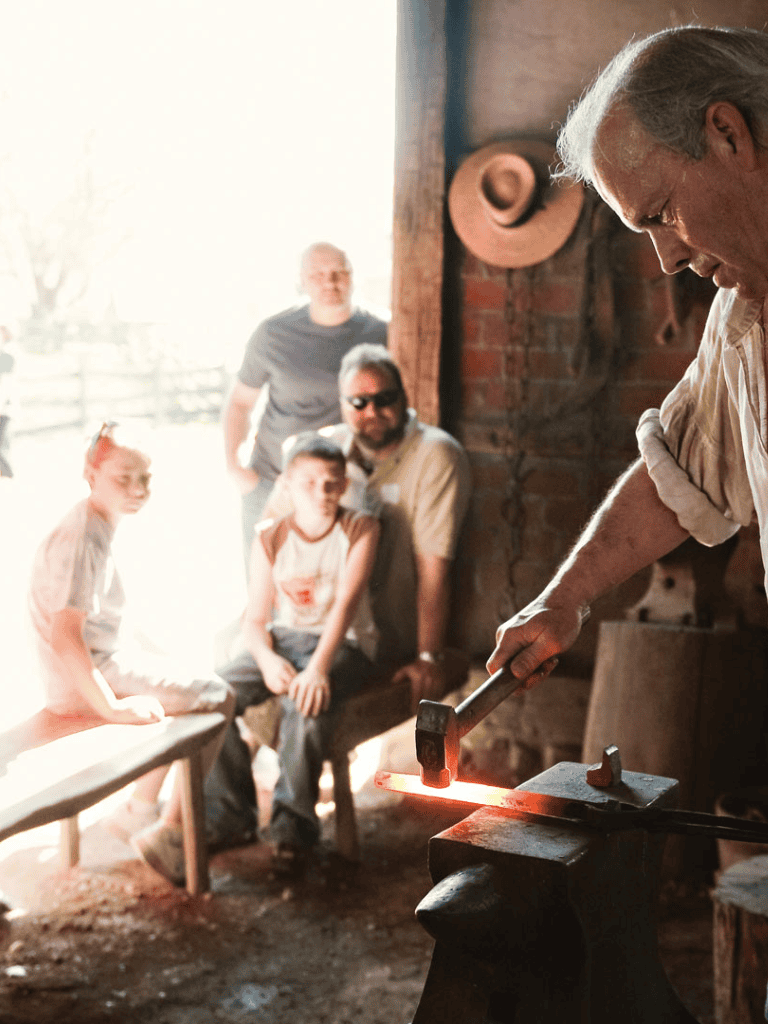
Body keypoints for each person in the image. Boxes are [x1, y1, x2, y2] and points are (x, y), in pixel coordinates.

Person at [487, 25, 768, 690]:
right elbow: (683, 474)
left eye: (663, 214)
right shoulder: (743, 322)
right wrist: (564, 597)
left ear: (727, 134)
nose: (667, 259)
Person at [28, 422, 235, 886]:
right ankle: (166, 829)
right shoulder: (82, 536)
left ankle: (137, 812)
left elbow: (105, 625)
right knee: (219, 696)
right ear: (90, 473)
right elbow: (65, 636)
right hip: (79, 680)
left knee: (188, 681)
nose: (138, 489)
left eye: (145, 478)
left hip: (96, 664)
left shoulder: (99, 523)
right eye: (124, 478)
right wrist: (113, 707)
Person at [204, 432, 380, 875]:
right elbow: (255, 621)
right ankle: (230, 814)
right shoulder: (271, 536)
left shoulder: (360, 528)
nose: (321, 493)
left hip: (345, 645)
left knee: (306, 702)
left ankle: (292, 830)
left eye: (331, 483)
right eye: (309, 483)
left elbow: (345, 606)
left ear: (343, 485)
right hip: (285, 639)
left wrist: (317, 669)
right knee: (213, 694)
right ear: (287, 484)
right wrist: (265, 659)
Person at [223, 242, 388, 573]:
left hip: (343, 487)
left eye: (339, 272)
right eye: (318, 275)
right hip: (272, 480)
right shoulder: (273, 333)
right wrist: (236, 469)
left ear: (353, 276)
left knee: (333, 594)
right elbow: (240, 402)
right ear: (302, 281)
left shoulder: (383, 332)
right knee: (266, 591)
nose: (330, 282)